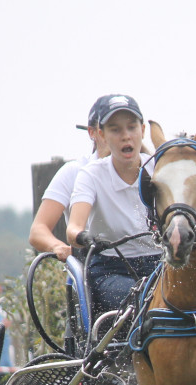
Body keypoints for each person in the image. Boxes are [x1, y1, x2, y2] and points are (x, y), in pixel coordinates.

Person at [67, 94, 162, 315]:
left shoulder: (159, 169)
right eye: (115, 130)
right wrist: (84, 237)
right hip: (111, 269)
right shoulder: (91, 175)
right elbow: (73, 229)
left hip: (160, 263)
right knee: (147, 298)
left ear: (143, 130)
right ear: (101, 135)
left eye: (131, 128)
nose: (126, 136)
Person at [28, 95, 114, 262]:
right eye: (112, 129)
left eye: (127, 128)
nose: (118, 136)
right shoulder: (74, 172)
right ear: (93, 132)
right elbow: (39, 229)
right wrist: (57, 247)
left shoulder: (143, 169)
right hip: (94, 262)